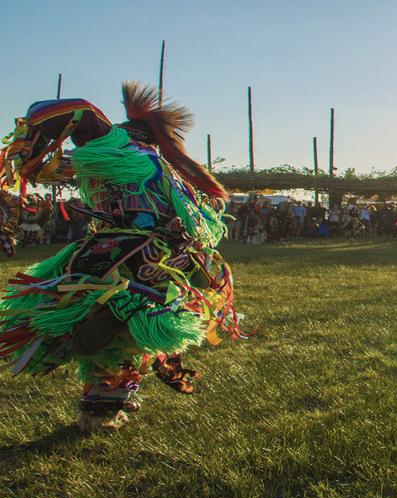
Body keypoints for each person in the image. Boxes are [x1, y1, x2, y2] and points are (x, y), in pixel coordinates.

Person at [0, 83, 242, 431]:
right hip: (137, 255)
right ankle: (102, 404)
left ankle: (103, 399)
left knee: (104, 336)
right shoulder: (152, 165)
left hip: (131, 255)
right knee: (114, 340)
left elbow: (79, 111)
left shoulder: (131, 154)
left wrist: (30, 141)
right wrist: (35, 149)